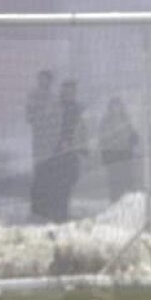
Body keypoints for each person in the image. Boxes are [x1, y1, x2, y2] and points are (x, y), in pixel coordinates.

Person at [45, 79, 88, 223]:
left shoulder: (78, 108)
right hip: (57, 151)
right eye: (67, 90)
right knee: (57, 182)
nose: (70, 93)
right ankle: (57, 213)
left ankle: (62, 212)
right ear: (63, 92)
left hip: (72, 151)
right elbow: (50, 127)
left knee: (70, 180)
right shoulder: (57, 108)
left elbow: (82, 129)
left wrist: (81, 147)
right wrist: (59, 142)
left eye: (72, 91)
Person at [26, 69, 59, 219]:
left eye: (45, 79)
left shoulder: (53, 97)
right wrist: (41, 114)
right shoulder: (33, 96)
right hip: (39, 140)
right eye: (41, 79)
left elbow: (57, 117)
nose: (42, 81)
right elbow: (29, 117)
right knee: (39, 173)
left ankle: (47, 205)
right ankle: (37, 207)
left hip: (51, 141)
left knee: (49, 174)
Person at [98, 96, 138, 203]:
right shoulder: (106, 121)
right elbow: (103, 138)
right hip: (113, 155)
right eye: (114, 105)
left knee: (126, 179)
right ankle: (115, 201)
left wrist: (132, 139)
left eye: (118, 105)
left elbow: (131, 133)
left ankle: (126, 201)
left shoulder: (126, 119)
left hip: (125, 154)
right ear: (110, 107)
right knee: (114, 181)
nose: (116, 108)